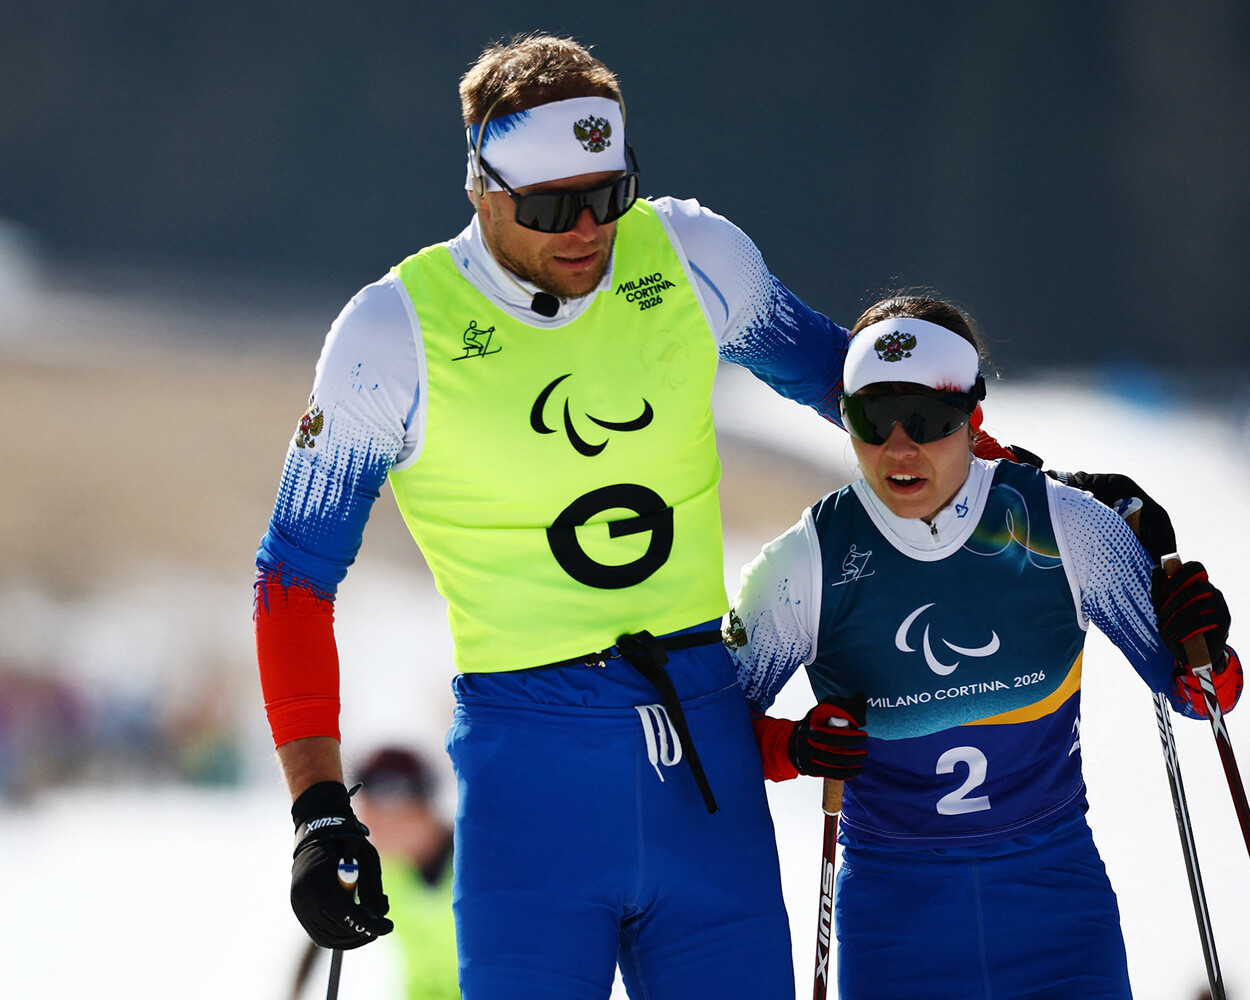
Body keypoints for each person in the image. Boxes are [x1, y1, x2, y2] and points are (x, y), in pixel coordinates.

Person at [253, 32, 859, 1000]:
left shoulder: (691, 255)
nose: (587, 229)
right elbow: (292, 578)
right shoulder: (394, 334)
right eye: (548, 207)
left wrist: (1031, 490)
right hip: (530, 778)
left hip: (703, 759)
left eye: (608, 195)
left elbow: (870, 394)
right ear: (481, 188)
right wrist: (320, 809)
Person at [725, 294, 1244, 1000]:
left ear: (972, 417)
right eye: (872, 420)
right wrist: (794, 746)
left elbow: (1203, 696)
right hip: (896, 928)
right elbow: (708, 734)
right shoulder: (806, 564)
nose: (899, 449)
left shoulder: (1064, 528)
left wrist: (1203, 637)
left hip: (1057, 914)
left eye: (927, 419)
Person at [289, 747, 459, 1000]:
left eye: (380, 812)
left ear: (418, 806)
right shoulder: (385, 872)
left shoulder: (478, 867)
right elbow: (321, 930)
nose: (370, 825)